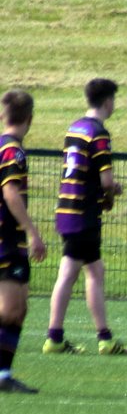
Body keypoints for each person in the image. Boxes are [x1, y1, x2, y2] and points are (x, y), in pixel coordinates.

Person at [44, 78, 127, 357]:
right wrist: (114, 190)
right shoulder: (99, 133)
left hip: (67, 207)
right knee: (79, 273)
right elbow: (106, 181)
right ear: (107, 101)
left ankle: (77, 337)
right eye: (114, 100)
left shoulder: (75, 127)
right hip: (84, 212)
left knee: (86, 270)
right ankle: (73, 338)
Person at [0, 89, 45, 393]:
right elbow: (11, 193)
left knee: (18, 308)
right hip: (7, 240)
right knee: (11, 309)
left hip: (7, 241)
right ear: (30, 118)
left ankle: (3, 375)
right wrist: (32, 231)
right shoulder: (12, 151)